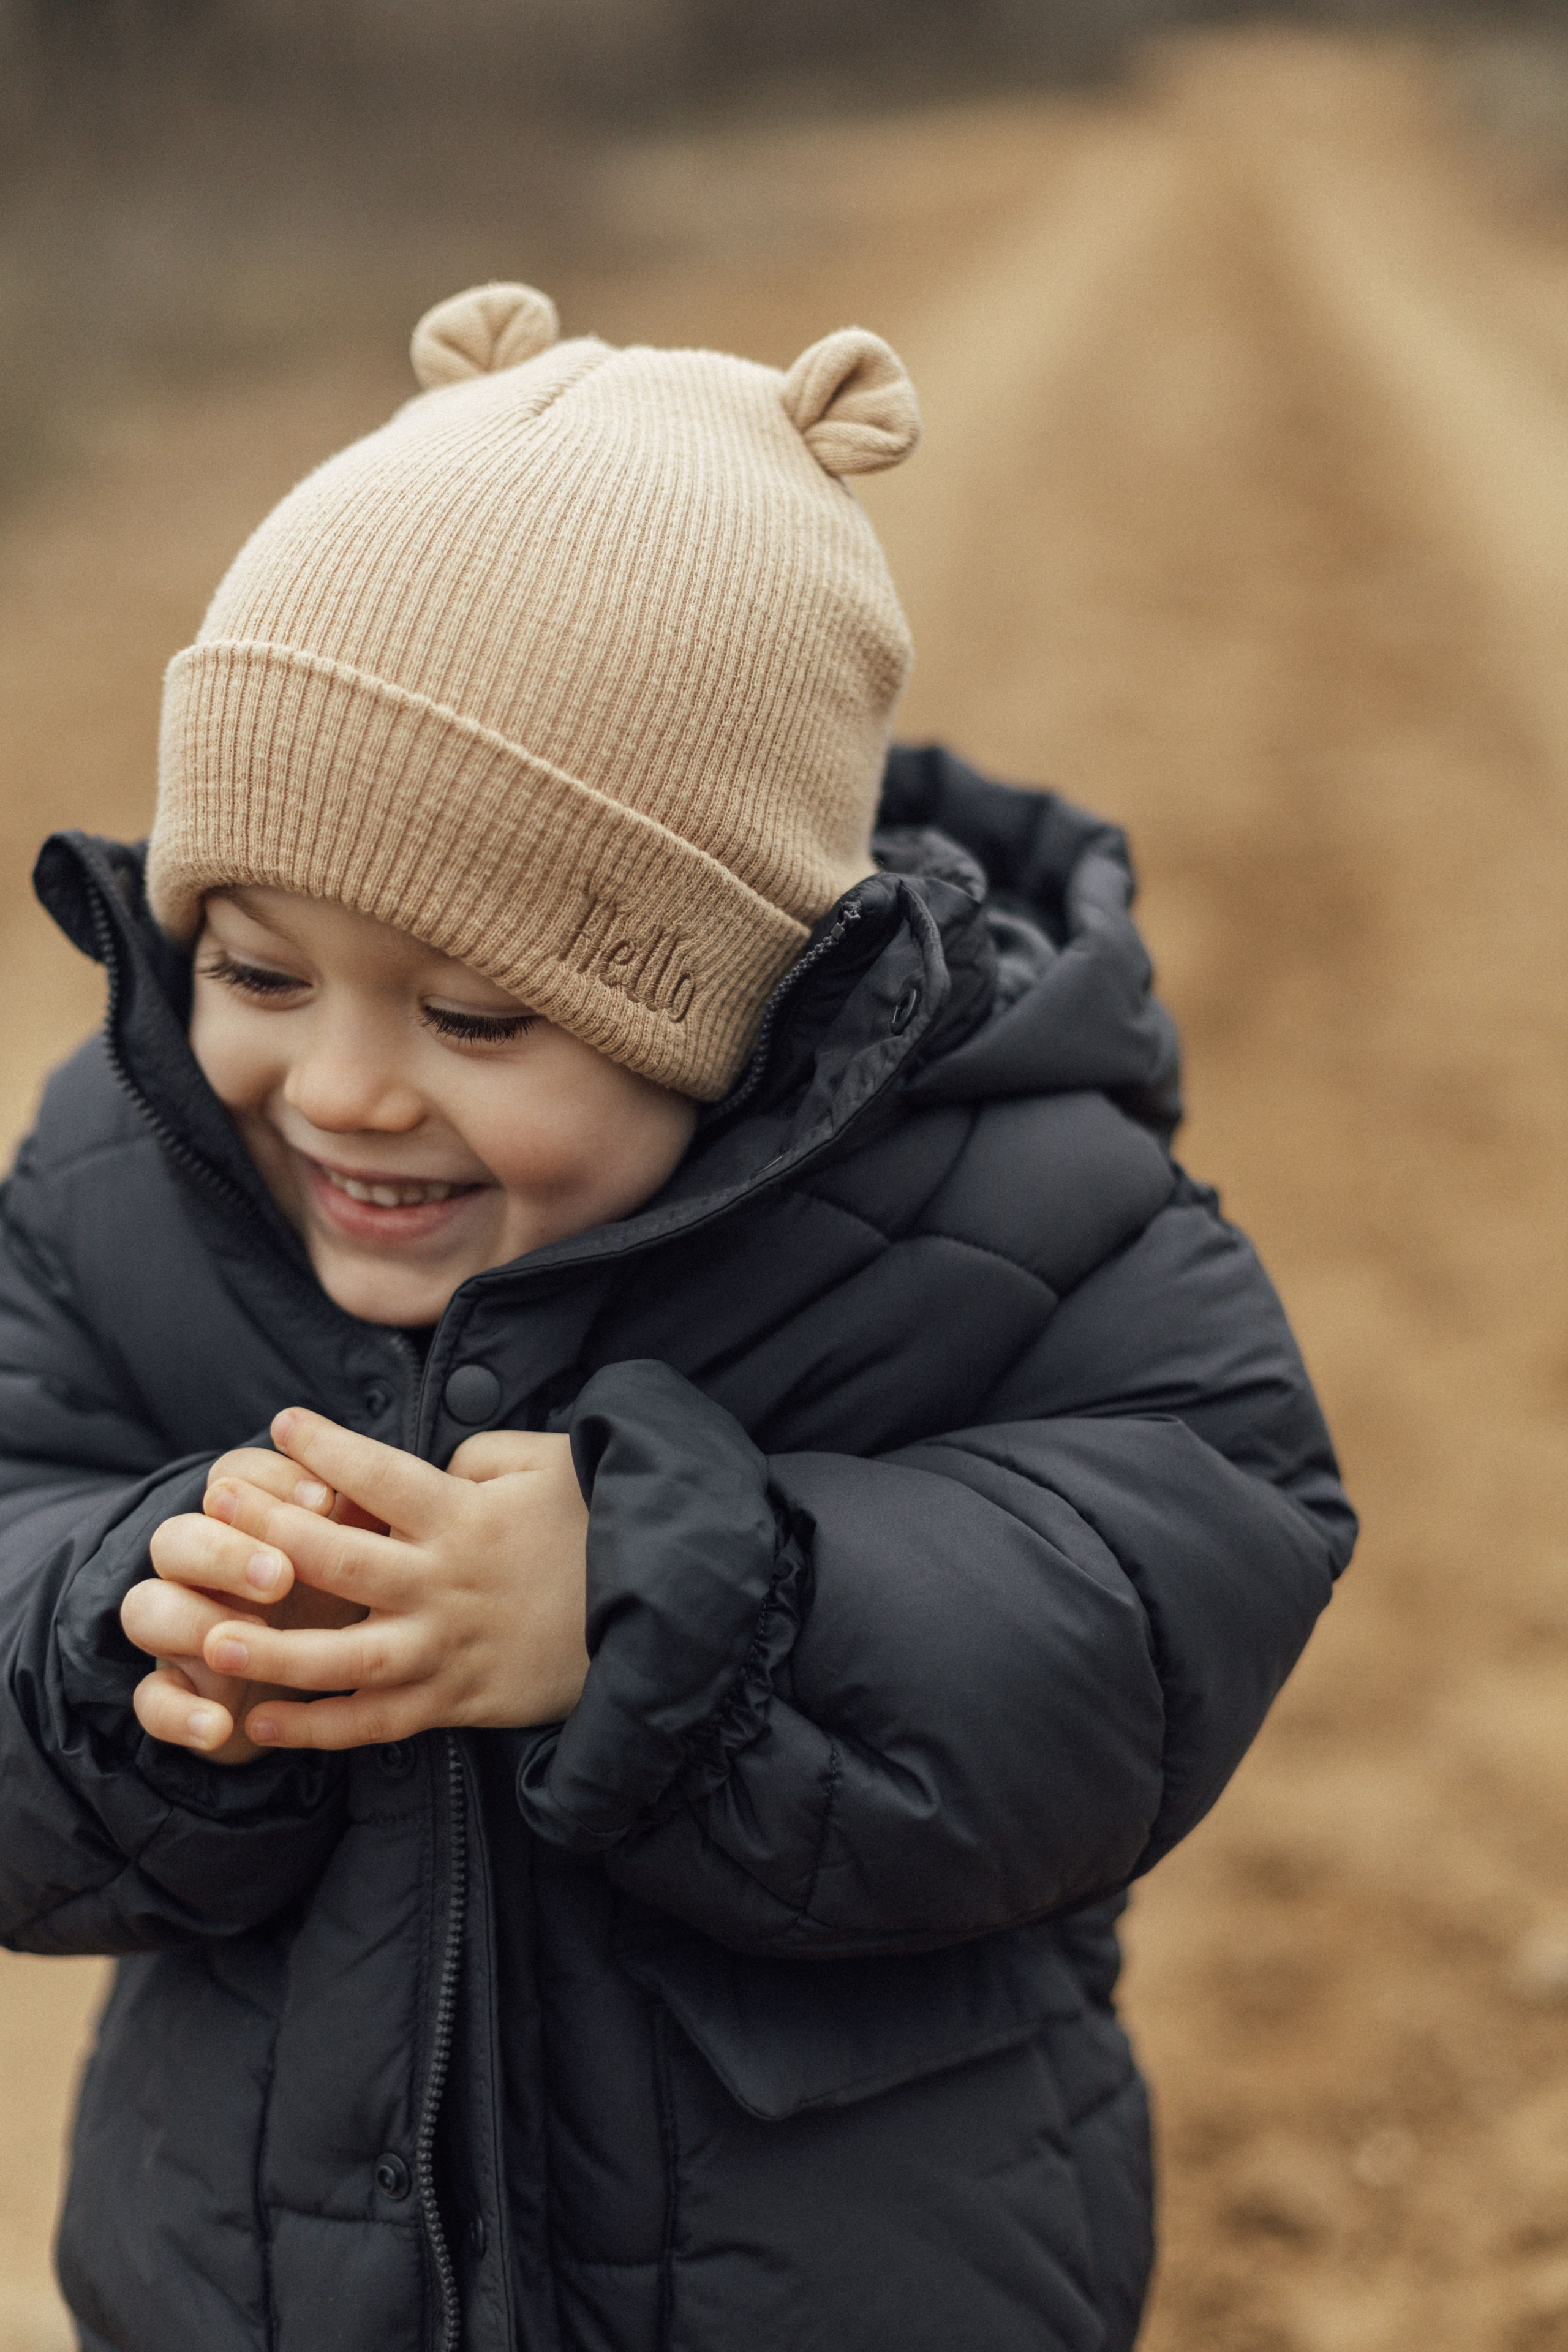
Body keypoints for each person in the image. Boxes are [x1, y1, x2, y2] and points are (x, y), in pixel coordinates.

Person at [0, 282, 1355, 2352]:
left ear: (730, 1010)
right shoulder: (128, 1198)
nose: (347, 1087)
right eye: (258, 972)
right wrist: (132, 1637)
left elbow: (1154, 1599)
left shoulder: (1007, 1200)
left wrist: (654, 1611)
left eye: (473, 1013)